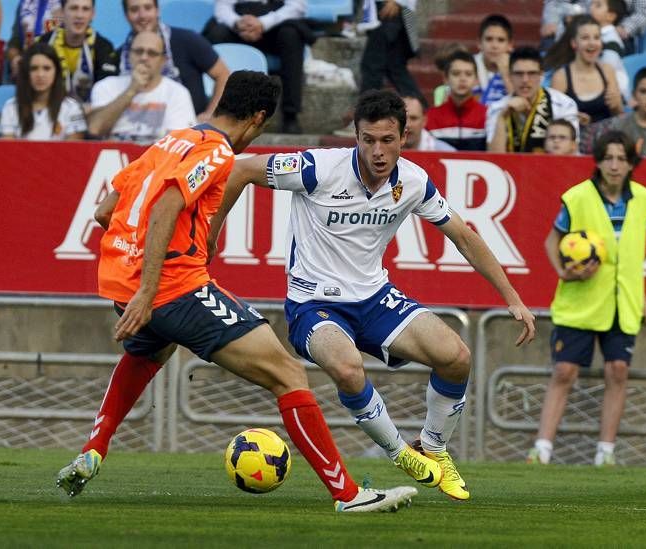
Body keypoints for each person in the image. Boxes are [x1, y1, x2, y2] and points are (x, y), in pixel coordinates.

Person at [56, 71, 418, 513]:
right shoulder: (217, 151)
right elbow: (169, 204)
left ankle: (94, 447)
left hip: (124, 283)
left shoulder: (175, 140)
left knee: (149, 350)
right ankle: (348, 495)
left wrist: (138, 278)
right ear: (258, 119)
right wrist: (153, 288)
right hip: (170, 287)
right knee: (289, 374)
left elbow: (105, 211)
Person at [208, 89, 536, 501]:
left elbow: (465, 238)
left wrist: (513, 298)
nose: (378, 151)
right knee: (347, 370)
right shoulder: (317, 168)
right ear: (356, 137)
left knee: (456, 357)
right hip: (314, 303)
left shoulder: (413, 181)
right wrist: (212, 234)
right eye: (368, 140)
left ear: (405, 136)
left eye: (387, 140)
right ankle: (399, 452)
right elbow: (239, 171)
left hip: (375, 298)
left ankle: (433, 446)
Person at [527, 130, 646, 466]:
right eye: (608, 157)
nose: (614, 165)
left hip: (622, 304)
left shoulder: (644, 200)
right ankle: (542, 448)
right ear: (598, 161)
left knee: (618, 371)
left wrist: (642, 299)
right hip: (580, 302)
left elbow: (630, 255)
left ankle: (606, 452)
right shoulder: (578, 197)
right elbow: (550, 242)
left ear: (631, 163)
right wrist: (564, 271)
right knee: (564, 372)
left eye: (621, 158)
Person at [204, 0, 313, 134]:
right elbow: (222, 7)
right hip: (239, 22)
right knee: (216, 34)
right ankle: (216, 112)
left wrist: (263, 23)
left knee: (291, 35)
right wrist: (237, 23)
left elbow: (297, 7)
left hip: (276, 22)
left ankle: (291, 115)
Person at [119, 0, 230, 121]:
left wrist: (211, 115)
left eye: (148, 8)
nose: (142, 15)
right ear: (126, 15)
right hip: (134, 131)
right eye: (134, 10)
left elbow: (224, 75)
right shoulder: (119, 56)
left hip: (190, 131)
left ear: (157, 10)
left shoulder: (187, 40)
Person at [87, 30, 196, 143]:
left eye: (152, 53)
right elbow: (95, 129)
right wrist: (132, 89)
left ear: (163, 61)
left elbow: (180, 143)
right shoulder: (106, 86)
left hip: (157, 158)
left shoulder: (177, 93)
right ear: (129, 55)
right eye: (138, 51)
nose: (144, 57)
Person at [487, 46, 579, 153]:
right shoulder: (497, 108)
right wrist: (503, 117)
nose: (525, 80)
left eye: (532, 73)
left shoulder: (564, 104)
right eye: (519, 74)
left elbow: (571, 152)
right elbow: (494, 159)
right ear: (510, 76)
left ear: (541, 75)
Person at [545, 15, 623, 141]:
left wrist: (617, 106)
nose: (592, 43)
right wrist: (572, 119)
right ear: (574, 43)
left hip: (605, 144)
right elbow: (554, 122)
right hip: (573, 144)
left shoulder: (607, 71)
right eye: (585, 38)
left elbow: (618, 117)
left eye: (597, 38)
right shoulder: (561, 77)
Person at [0, 42, 86, 139]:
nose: (40, 75)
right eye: (34, 68)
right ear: (26, 72)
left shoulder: (72, 108)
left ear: (56, 72)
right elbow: (7, 151)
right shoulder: (11, 107)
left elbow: (74, 151)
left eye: (47, 68)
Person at [38, 0, 118, 104]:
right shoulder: (44, 43)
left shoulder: (104, 47)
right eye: (74, 8)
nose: (79, 15)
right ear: (62, 12)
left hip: (90, 114)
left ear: (92, 14)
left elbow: (107, 95)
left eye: (85, 9)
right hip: (50, 112)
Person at [426, 49, 487, 151]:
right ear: (445, 78)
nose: (462, 79)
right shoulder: (430, 116)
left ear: (476, 80)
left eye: (468, 74)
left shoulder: (487, 115)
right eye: (456, 73)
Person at [5, 0, 63, 80]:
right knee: (10, 64)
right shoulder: (25, 3)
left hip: (56, 60)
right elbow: (14, 42)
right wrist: (15, 58)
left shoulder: (65, 4)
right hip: (28, 60)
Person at [588, 0, 629, 100]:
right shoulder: (598, 36)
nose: (591, 8)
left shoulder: (611, 42)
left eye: (597, 5)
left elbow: (606, 73)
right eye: (591, 4)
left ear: (611, 16)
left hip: (611, 95)